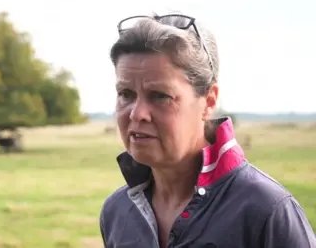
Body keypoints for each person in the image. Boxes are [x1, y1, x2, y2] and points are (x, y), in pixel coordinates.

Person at [99, 13, 316, 248]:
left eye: (160, 96)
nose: (136, 113)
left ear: (209, 102)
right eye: (126, 94)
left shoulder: (265, 210)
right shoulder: (117, 212)